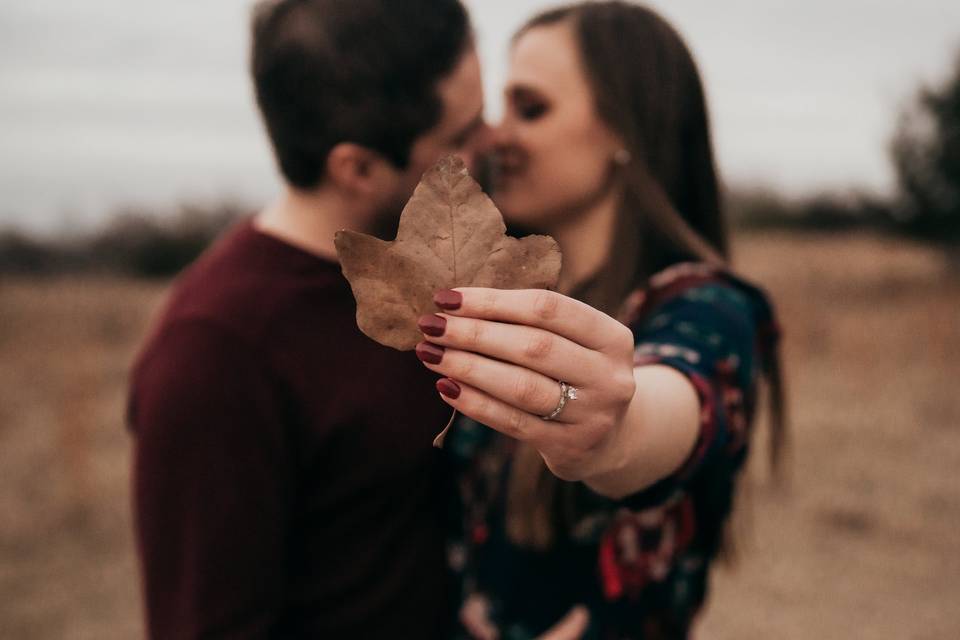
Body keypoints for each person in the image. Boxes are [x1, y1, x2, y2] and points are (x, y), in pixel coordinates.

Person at [412, 2, 787, 639]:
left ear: (623, 126)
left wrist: (612, 433)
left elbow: (676, 398)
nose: (497, 136)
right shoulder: (491, 294)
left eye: (530, 108)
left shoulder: (708, 310)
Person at [126, 0, 491, 637]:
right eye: (460, 136)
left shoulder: (419, 267)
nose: (491, 144)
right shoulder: (217, 356)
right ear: (357, 167)